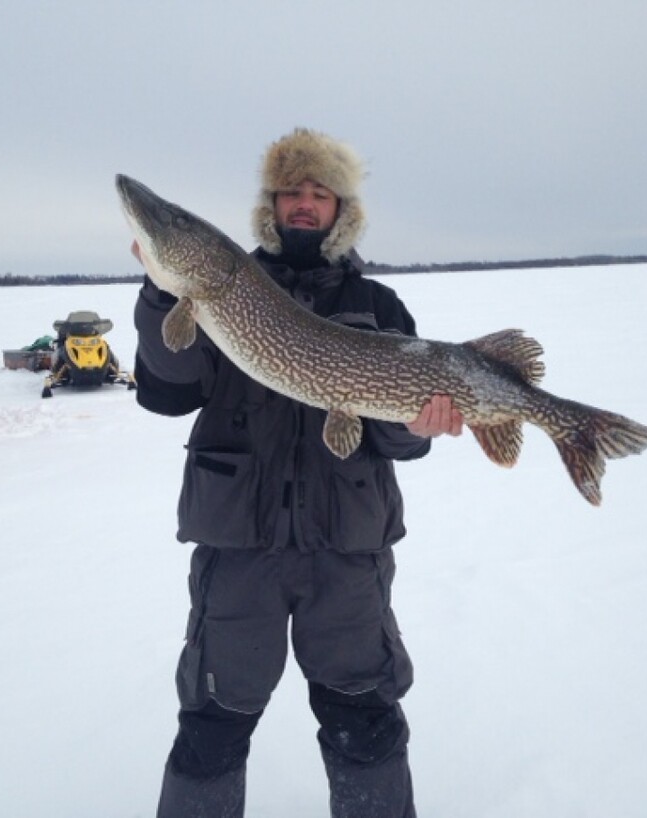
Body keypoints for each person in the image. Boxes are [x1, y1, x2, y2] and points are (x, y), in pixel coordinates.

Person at [131, 127, 463, 817]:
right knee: (214, 721)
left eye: (320, 193)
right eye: (292, 191)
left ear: (342, 209)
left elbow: (398, 444)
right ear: (272, 205)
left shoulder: (378, 308)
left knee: (364, 720)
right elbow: (168, 390)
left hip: (345, 551)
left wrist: (415, 424)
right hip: (239, 545)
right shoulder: (222, 287)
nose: (305, 204)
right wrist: (163, 296)